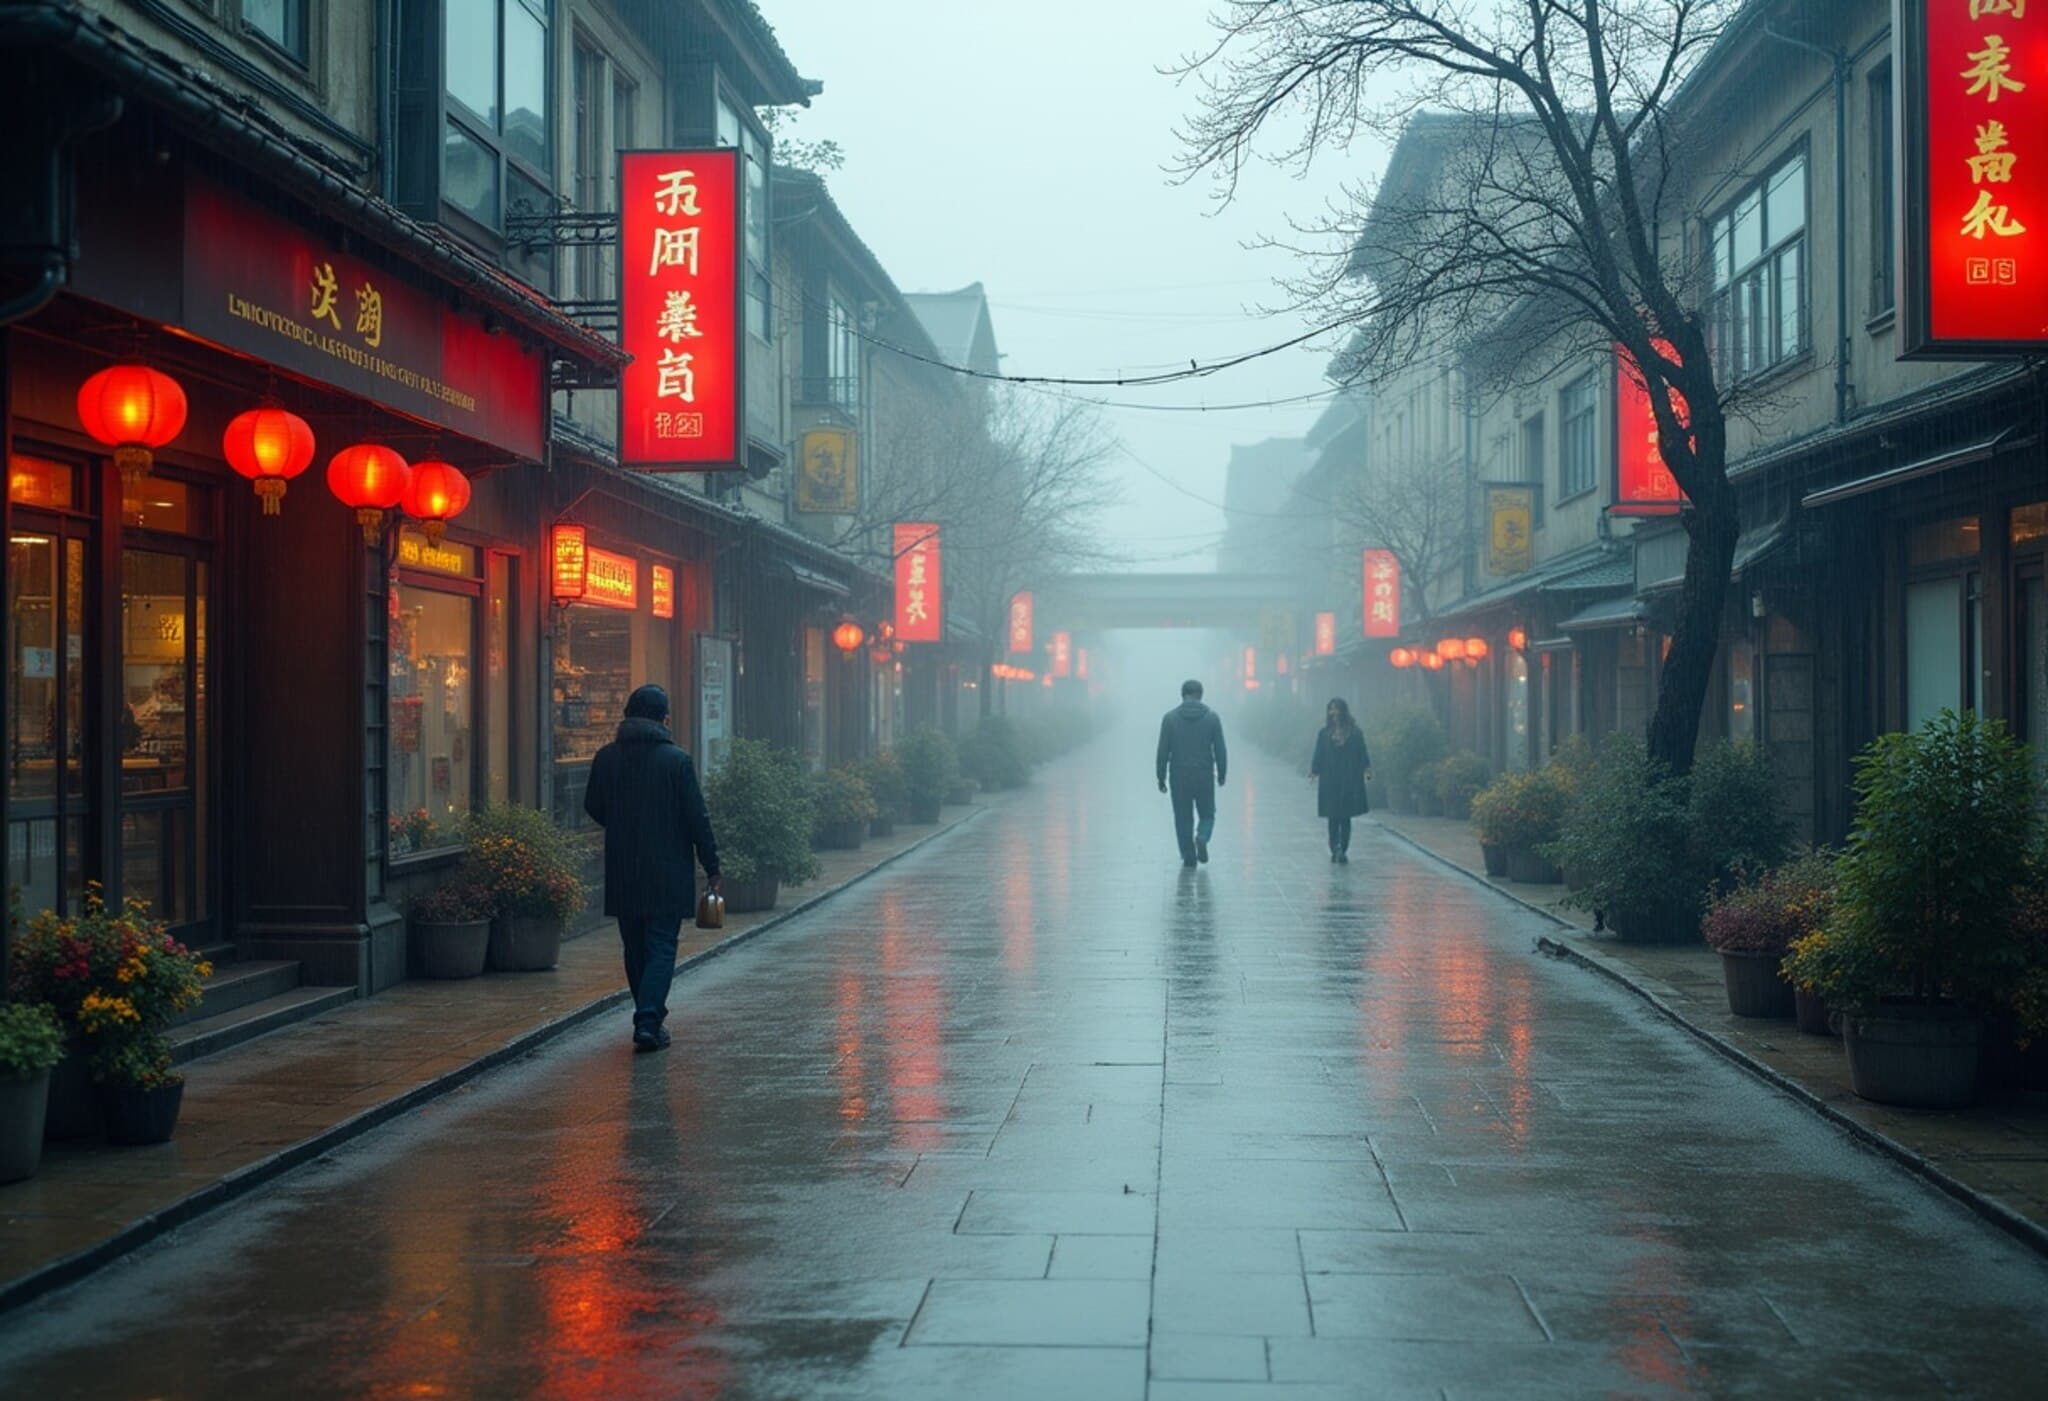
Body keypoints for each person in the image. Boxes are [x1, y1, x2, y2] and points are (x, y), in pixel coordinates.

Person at [583, 684, 720, 1053]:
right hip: (667, 867)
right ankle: (647, 1020)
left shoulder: (606, 758)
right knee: (661, 945)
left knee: (634, 946)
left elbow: (592, 805)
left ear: (627, 715)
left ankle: (647, 1017)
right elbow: (697, 817)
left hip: (623, 865)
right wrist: (712, 864)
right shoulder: (676, 761)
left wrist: (620, 824)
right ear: (664, 719)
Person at [1156, 678, 1228, 868]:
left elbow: (1163, 751)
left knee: (1182, 816)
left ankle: (1188, 855)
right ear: (1201, 695)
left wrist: (1161, 777)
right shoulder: (1212, 718)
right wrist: (1222, 773)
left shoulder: (1170, 719)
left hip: (1179, 776)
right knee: (1207, 813)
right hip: (1204, 775)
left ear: (1183, 695)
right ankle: (1202, 836)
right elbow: (1220, 749)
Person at [1310, 697, 1372, 863]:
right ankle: (1334, 848)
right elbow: (1319, 754)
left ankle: (1343, 849)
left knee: (1345, 817)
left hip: (1348, 779)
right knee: (1332, 817)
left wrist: (1366, 770)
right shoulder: (1324, 734)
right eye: (1331, 709)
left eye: (1337, 709)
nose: (1334, 712)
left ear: (1343, 711)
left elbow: (1362, 753)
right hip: (1330, 780)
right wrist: (1314, 771)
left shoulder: (1354, 733)